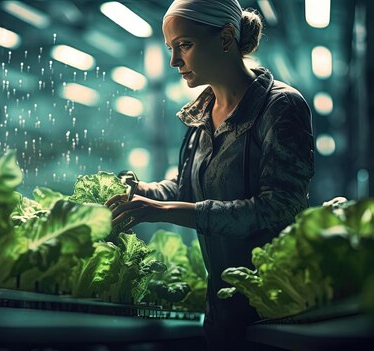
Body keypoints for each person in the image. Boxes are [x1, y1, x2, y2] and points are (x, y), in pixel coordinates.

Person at [106, 0, 315, 349]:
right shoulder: (200, 116)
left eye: (184, 45)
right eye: (171, 49)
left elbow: (278, 208)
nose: (174, 61)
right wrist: (139, 193)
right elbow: (185, 186)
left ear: (225, 38)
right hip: (222, 310)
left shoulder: (280, 107)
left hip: (279, 311)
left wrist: (161, 212)